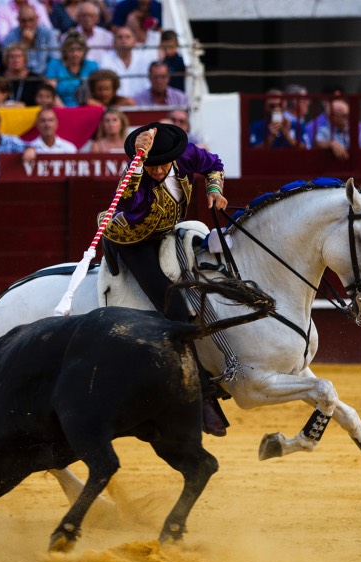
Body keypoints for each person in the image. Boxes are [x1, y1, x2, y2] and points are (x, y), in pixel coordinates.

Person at [99, 122, 229, 435]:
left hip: (171, 231)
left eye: (161, 165)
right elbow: (125, 194)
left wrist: (214, 190)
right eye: (151, 165)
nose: (156, 171)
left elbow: (213, 164)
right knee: (174, 307)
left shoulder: (184, 156)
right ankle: (200, 396)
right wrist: (139, 160)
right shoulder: (136, 171)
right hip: (134, 241)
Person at [2, 4, 60, 76]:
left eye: (31, 20)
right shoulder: (10, 37)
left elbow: (55, 59)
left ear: (37, 19)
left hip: (45, 77)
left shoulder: (48, 34)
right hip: (22, 78)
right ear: (18, 20)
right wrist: (24, 44)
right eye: (23, 21)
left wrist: (48, 79)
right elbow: (8, 63)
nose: (28, 24)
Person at [44, 31, 99, 106]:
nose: (75, 54)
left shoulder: (92, 66)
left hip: (86, 107)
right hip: (60, 108)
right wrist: (65, 112)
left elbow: (95, 94)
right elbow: (50, 92)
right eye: (71, 50)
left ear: (84, 51)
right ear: (65, 51)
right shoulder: (54, 64)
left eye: (79, 49)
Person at [98, 26, 151, 97]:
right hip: (116, 103)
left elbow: (148, 85)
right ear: (114, 42)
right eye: (120, 37)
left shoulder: (144, 59)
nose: (123, 40)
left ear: (134, 41)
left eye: (128, 37)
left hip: (141, 103)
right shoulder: (105, 59)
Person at [64, 0, 114, 65]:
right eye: (84, 15)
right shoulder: (67, 36)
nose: (87, 19)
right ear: (77, 17)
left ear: (97, 18)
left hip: (101, 72)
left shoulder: (107, 36)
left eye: (91, 15)